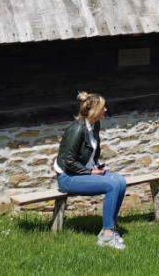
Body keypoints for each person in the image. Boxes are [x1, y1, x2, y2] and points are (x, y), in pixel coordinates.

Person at [55, 92, 128, 249]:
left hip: (81, 173)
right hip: (67, 177)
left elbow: (91, 153)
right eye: (103, 107)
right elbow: (69, 162)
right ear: (94, 111)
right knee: (112, 185)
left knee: (121, 181)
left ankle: (110, 228)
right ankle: (107, 236)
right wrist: (89, 172)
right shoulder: (76, 129)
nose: (106, 109)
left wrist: (94, 165)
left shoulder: (95, 125)